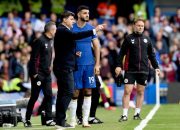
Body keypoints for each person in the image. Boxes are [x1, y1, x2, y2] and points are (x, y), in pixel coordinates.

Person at [53, 11, 105, 129]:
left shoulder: (63, 30)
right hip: (64, 67)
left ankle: (60, 120)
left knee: (63, 93)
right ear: (65, 19)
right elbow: (75, 36)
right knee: (69, 92)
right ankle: (62, 120)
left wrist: (74, 53)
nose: (73, 21)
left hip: (65, 65)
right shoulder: (63, 30)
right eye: (71, 19)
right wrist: (94, 31)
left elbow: (63, 48)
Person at [115, 18, 160, 122]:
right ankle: (124, 115)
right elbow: (121, 53)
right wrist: (118, 66)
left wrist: (156, 67)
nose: (140, 27)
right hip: (130, 69)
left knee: (140, 92)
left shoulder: (147, 39)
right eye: (139, 25)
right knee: (127, 91)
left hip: (143, 69)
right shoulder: (128, 38)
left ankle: (137, 114)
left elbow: (152, 55)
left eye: (142, 26)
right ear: (134, 26)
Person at [67, 5, 101, 128]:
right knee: (75, 92)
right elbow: (65, 46)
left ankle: (85, 120)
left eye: (88, 13)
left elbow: (97, 46)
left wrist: (97, 64)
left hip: (89, 65)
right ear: (78, 14)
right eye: (85, 13)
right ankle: (72, 119)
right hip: (75, 65)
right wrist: (73, 52)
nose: (87, 15)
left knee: (88, 90)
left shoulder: (91, 28)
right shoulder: (71, 28)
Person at [24, 21, 57, 127]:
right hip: (38, 74)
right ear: (51, 30)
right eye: (55, 29)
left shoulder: (51, 40)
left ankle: (48, 119)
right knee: (34, 96)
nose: (56, 31)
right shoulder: (39, 41)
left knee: (49, 95)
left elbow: (49, 55)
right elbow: (33, 58)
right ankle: (27, 119)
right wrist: (34, 74)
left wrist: (50, 66)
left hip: (47, 73)